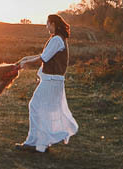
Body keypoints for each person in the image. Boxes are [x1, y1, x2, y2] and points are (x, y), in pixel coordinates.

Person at [14, 13, 78, 153]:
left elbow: (43, 58)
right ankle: (43, 144)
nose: (46, 26)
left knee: (35, 106)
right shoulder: (57, 39)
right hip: (53, 80)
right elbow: (43, 57)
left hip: (52, 81)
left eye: (48, 23)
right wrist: (26, 59)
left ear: (53, 24)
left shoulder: (56, 40)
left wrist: (27, 63)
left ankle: (33, 143)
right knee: (44, 110)